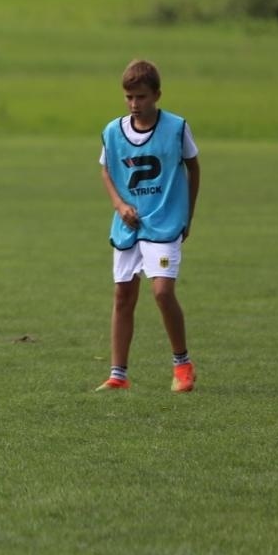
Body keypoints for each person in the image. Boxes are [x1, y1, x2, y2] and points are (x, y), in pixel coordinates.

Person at [96, 58, 199, 393]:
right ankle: (118, 375)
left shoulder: (176, 128)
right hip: (128, 226)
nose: (134, 104)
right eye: (128, 97)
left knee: (162, 292)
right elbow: (107, 170)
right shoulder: (113, 131)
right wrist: (119, 204)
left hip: (165, 223)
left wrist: (188, 215)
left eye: (140, 97)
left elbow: (193, 167)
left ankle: (182, 365)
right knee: (123, 295)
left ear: (156, 94)